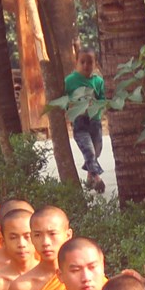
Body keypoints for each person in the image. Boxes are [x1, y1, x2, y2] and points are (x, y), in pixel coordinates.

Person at [64, 49, 105, 188]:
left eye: (90, 62)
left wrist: (97, 105)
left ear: (95, 64)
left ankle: (89, 176)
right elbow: (63, 99)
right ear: (76, 63)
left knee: (97, 151)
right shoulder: (70, 81)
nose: (86, 65)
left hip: (95, 121)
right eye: (82, 62)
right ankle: (98, 179)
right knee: (89, 151)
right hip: (79, 122)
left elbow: (103, 99)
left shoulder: (98, 82)